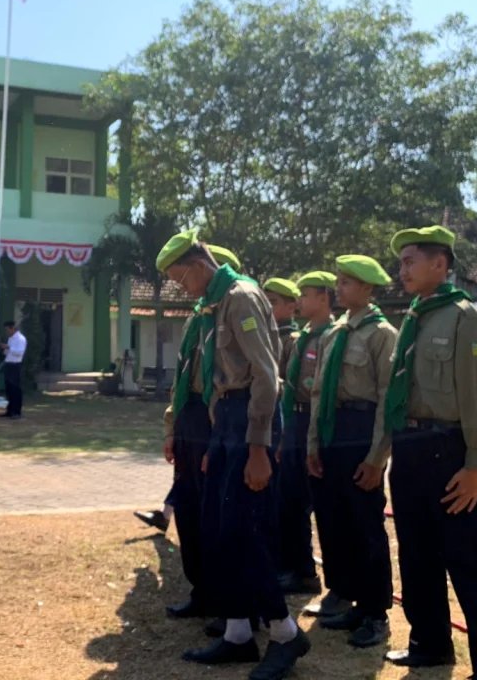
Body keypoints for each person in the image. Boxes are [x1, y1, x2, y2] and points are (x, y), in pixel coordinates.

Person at [159, 231, 310, 680]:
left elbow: (266, 377)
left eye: (179, 277)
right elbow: (215, 377)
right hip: (226, 424)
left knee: (245, 532)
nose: (181, 288)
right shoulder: (215, 304)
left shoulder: (241, 297)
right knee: (219, 530)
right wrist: (220, 445)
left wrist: (258, 448)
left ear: (199, 265)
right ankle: (239, 634)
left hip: (251, 421)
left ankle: (285, 634)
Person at [384, 225, 477, 678]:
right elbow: (395, 392)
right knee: (416, 553)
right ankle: (430, 643)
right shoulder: (415, 316)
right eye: (401, 264)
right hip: (411, 448)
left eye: (410, 261)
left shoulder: (463, 317)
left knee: (469, 557)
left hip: (449, 449)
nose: (402, 271)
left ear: (440, 264)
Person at [306, 255, 397, 649]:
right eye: (339, 282)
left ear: (366, 288)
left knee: (365, 524)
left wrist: (377, 457)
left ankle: (376, 611)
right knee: (332, 518)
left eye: (346, 283)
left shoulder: (382, 334)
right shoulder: (334, 332)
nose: (338, 289)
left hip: (362, 430)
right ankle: (345, 593)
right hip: (331, 430)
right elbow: (316, 392)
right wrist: (313, 444)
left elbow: (386, 398)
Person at [134, 244, 241, 536]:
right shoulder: (196, 321)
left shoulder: (229, 316)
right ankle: (197, 576)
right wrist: (172, 428)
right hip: (190, 418)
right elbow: (183, 379)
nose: (183, 289)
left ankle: (212, 579)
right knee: (189, 505)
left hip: (217, 418)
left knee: (214, 510)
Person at [275, 271, 335, 597]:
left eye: (306, 295)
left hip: (317, 424)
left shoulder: (333, 336)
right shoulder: (302, 338)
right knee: (290, 501)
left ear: (324, 298)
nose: (300, 302)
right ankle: (299, 570)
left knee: (317, 504)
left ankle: (319, 577)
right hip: (294, 423)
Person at [0, 321, 27, 419]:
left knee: (15, 389)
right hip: (9, 364)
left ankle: (17, 411)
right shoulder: (10, 339)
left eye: (8, 330)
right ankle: (10, 410)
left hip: (15, 365)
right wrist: (4, 349)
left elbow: (19, 353)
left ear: (13, 328)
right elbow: (8, 352)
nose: (7, 332)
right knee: (9, 389)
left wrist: (8, 347)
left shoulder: (20, 339)